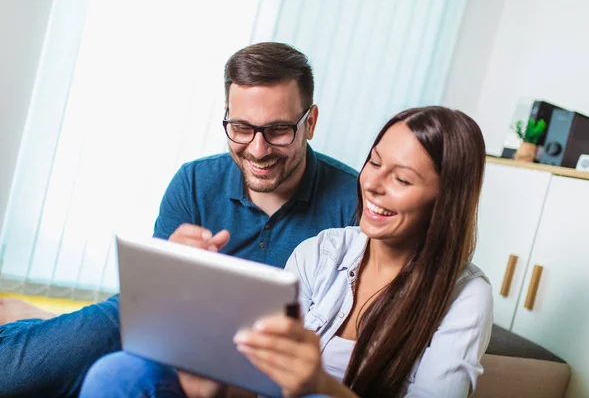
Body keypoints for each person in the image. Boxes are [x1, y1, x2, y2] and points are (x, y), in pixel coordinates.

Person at [0, 42, 358, 398]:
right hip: (186, 347)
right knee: (111, 338)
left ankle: (35, 319)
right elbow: (153, 319)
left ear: (309, 122)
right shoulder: (194, 181)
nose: (258, 149)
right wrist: (169, 269)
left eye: (278, 130)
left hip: (273, 367)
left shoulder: (353, 204)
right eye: (241, 127)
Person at [79, 106, 494, 398]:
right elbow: (260, 381)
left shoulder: (465, 296)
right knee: (119, 371)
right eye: (373, 162)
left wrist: (318, 383)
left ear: (445, 200)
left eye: (401, 179)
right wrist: (212, 379)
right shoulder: (322, 251)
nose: (372, 184)